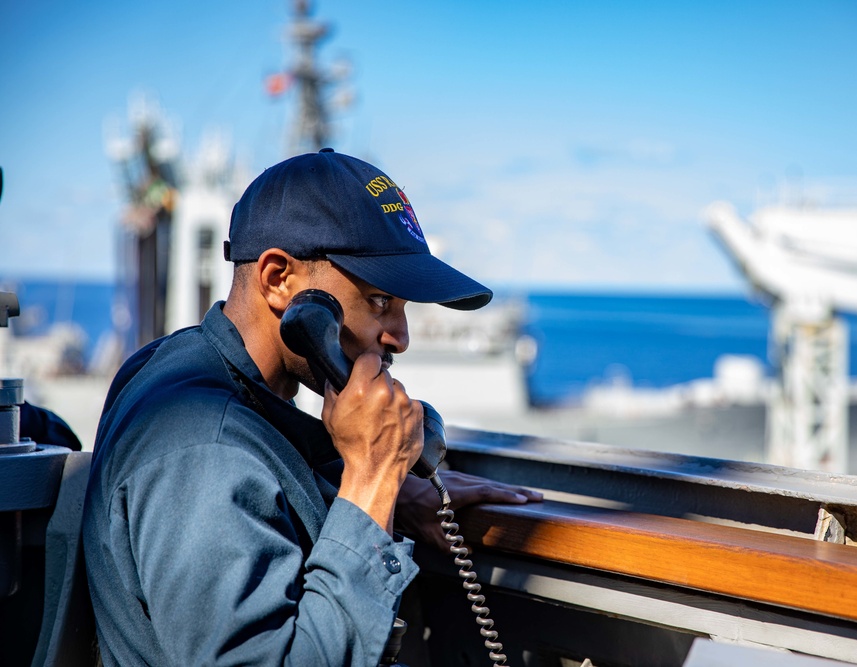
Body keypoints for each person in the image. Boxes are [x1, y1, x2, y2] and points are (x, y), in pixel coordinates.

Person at [82, 148, 541, 666]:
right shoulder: (205, 453)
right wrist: (372, 479)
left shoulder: (174, 366)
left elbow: (271, 470)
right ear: (280, 280)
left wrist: (397, 497)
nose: (401, 337)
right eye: (378, 302)